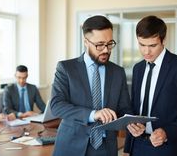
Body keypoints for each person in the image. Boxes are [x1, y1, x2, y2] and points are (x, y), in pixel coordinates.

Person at [50, 15, 133, 156]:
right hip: (71, 146)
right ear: (86, 42)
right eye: (100, 44)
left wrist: (131, 122)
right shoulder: (66, 68)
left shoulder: (118, 72)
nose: (106, 50)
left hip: (106, 147)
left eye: (109, 43)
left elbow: (124, 108)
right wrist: (93, 114)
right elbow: (57, 105)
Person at [123, 15, 177, 156]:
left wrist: (167, 132)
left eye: (152, 45)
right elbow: (135, 105)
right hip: (138, 145)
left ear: (163, 40)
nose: (146, 52)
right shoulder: (137, 68)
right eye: (142, 45)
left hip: (169, 147)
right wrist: (131, 126)